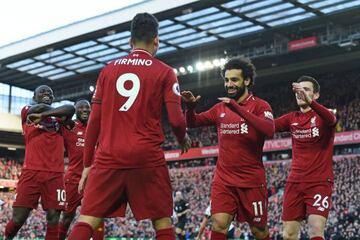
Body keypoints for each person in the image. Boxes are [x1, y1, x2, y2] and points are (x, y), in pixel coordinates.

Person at [67, 12, 191, 240]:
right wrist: (182, 137)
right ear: (156, 40)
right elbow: (175, 120)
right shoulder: (165, 72)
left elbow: (94, 121)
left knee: (87, 219)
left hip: (108, 157)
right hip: (147, 157)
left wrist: (87, 165)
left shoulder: (108, 71)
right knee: (162, 221)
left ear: (129, 41)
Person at [182, 57, 274, 240]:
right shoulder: (220, 108)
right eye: (226, 80)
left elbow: (269, 130)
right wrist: (191, 108)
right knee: (219, 225)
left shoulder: (260, 106)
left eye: (234, 80)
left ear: (246, 81)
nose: (229, 84)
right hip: (224, 180)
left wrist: (237, 108)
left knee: (259, 231)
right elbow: (192, 122)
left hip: (251, 182)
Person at [4, 85, 75, 239]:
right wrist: (45, 113)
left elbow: (70, 108)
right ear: (34, 97)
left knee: (54, 217)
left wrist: (45, 116)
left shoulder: (59, 119)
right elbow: (40, 108)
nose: (46, 93)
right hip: (31, 172)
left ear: (54, 98)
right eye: (42, 92)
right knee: (18, 218)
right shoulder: (27, 111)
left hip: (55, 175)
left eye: (50, 92)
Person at [275, 76, 336, 240]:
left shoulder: (324, 116)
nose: (300, 93)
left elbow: (331, 119)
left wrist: (310, 102)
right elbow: (267, 127)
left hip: (319, 182)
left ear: (316, 95)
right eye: (298, 90)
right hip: (294, 182)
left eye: (306, 90)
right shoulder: (291, 118)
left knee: (315, 230)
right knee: (288, 234)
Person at [58, 99, 104, 239]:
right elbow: (63, 113)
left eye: (87, 108)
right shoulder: (69, 128)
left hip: (93, 180)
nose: (85, 110)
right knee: (67, 217)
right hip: (73, 180)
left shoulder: (97, 128)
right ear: (75, 111)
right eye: (81, 108)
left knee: (97, 217)